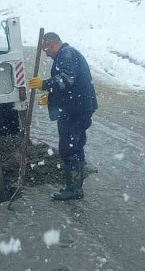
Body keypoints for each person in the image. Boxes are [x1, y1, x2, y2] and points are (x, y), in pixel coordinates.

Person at [28, 32, 98, 201]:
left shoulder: (66, 54)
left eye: (46, 50)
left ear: (52, 45)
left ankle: (73, 189)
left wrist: (44, 84)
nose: (46, 54)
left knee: (69, 148)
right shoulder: (66, 54)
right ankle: (75, 187)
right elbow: (67, 85)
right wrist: (52, 96)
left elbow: (67, 79)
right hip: (76, 109)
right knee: (75, 147)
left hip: (76, 112)